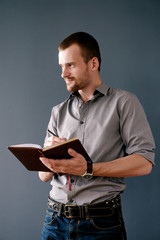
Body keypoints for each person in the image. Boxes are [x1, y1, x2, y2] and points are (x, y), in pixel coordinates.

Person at [39, 32, 155, 240]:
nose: (63, 73)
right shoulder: (58, 111)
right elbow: (43, 176)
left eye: (70, 65)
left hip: (101, 224)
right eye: (61, 67)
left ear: (93, 64)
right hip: (54, 221)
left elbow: (144, 162)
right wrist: (50, 157)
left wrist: (88, 168)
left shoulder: (124, 103)